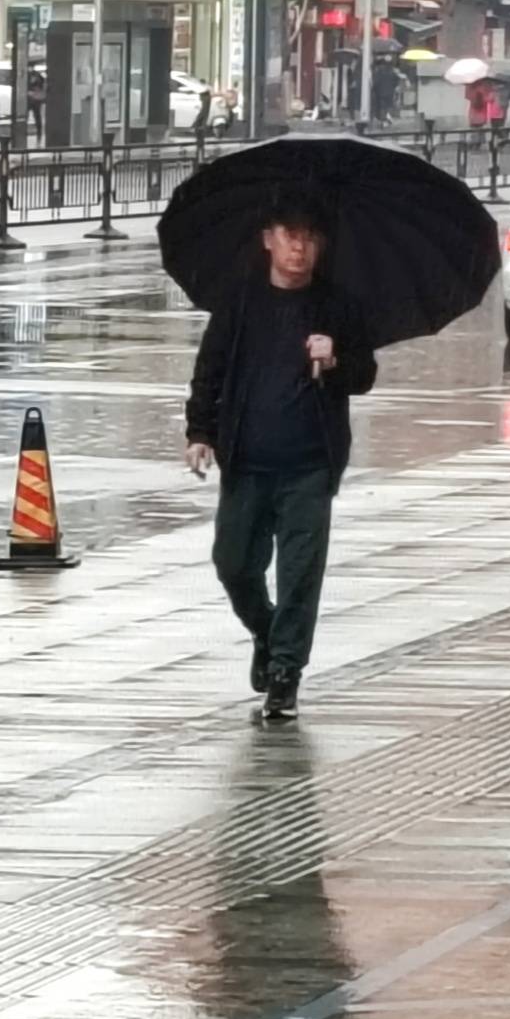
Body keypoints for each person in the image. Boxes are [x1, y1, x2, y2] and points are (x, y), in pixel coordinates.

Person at [182, 201, 378, 721]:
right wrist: (199, 430)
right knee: (233, 564)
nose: (299, 247)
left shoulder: (337, 306)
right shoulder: (240, 303)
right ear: (268, 239)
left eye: (310, 238)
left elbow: (364, 374)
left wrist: (334, 359)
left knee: (299, 573)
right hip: (246, 460)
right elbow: (211, 368)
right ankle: (266, 633)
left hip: (310, 464)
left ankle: (286, 673)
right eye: (290, 236)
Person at [26, 68, 47, 143]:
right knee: (34, 118)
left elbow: (42, 90)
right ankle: (39, 136)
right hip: (32, 101)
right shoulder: (28, 78)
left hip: (35, 101)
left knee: (37, 118)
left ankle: (39, 136)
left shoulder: (39, 78)